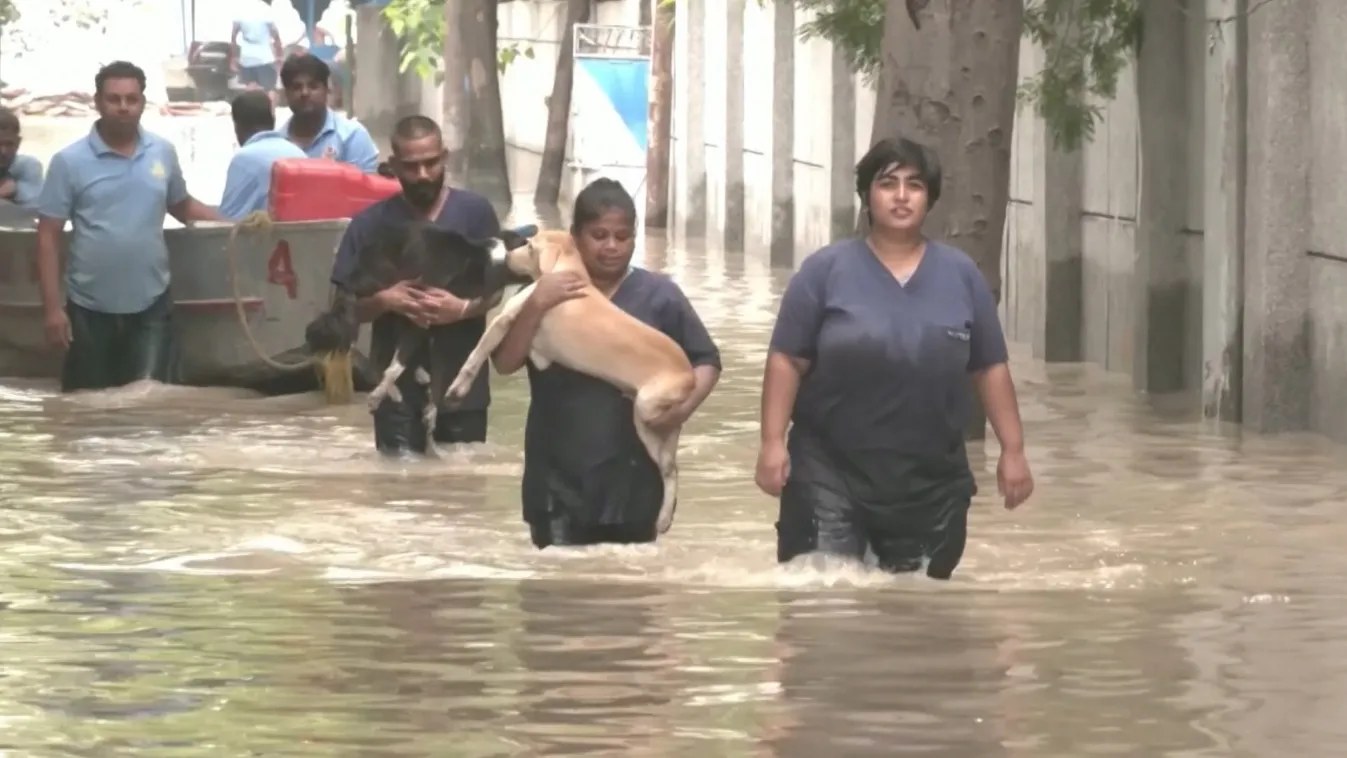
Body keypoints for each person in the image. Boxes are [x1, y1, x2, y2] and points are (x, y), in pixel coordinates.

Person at [754, 137, 1034, 579]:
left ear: (930, 198)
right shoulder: (824, 272)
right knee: (826, 603)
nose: (901, 196)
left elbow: (989, 367)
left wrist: (1013, 450)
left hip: (930, 482)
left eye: (915, 185)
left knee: (915, 621)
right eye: (888, 184)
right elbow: (787, 360)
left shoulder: (961, 275)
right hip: (830, 472)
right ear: (867, 195)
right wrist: (771, 442)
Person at [490, 178, 722, 549]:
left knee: (629, 598)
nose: (612, 247)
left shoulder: (659, 296)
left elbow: (707, 361)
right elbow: (504, 364)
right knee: (557, 593)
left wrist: (682, 411)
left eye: (623, 237)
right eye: (599, 235)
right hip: (556, 480)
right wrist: (536, 305)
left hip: (631, 482)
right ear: (574, 237)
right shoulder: (542, 293)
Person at [35, 61, 222, 393]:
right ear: (98, 102)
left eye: (131, 99)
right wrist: (52, 311)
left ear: (142, 103)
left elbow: (181, 205)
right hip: (89, 308)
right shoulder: (69, 162)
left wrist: (234, 223)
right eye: (114, 99)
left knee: (148, 404)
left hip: (151, 304)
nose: (123, 107)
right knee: (86, 408)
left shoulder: (162, 152)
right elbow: (48, 236)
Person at [330, 115, 505, 456]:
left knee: (462, 491)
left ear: (445, 157)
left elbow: (497, 290)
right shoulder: (369, 225)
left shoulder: (476, 213)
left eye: (431, 163)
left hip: (461, 388)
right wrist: (385, 301)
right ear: (393, 166)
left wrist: (462, 309)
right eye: (412, 166)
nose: (424, 174)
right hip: (394, 391)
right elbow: (342, 308)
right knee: (399, 492)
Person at [278, 53, 377, 173]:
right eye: (296, 87)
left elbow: (367, 187)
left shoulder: (352, 136)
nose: (304, 93)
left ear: (326, 90)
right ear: (286, 94)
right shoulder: (277, 143)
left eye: (313, 86)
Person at [219, 90, 306, 220]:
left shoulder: (243, 159)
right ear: (273, 120)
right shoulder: (300, 154)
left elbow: (226, 219)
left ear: (237, 126)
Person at [229, 0, 284, 97]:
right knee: (270, 89)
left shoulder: (240, 9)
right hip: (264, 57)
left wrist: (233, 57)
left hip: (247, 57)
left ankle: (250, 110)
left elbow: (233, 36)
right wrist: (280, 55)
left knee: (250, 87)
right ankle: (270, 111)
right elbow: (275, 35)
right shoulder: (265, 9)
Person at [0, 107, 44, 209]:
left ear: (18, 142)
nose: (3, 151)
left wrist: (16, 190)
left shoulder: (28, 166)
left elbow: (37, 208)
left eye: (9, 144)